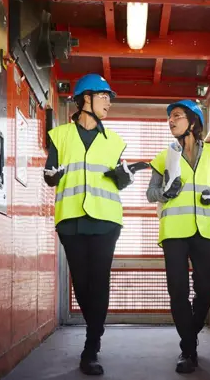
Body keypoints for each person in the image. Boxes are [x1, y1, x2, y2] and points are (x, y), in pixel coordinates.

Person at [44, 73, 135, 376]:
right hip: (70, 220)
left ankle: (91, 346)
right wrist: (50, 176)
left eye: (110, 97)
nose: (109, 102)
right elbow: (50, 171)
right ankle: (94, 331)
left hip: (105, 221)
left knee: (99, 280)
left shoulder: (116, 141)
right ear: (86, 99)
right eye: (104, 96)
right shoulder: (59, 136)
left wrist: (124, 178)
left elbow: (121, 179)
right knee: (81, 284)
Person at [146, 99, 210, 374]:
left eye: (177, 116)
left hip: (206, 230)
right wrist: (164, 194)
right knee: (178, 291)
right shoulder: (163, 157)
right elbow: (151, 193)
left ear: (193, 122)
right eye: (169, 117)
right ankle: (188, 350)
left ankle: (190, 334)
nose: (171, 120)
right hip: (174, 231)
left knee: (206, 288)